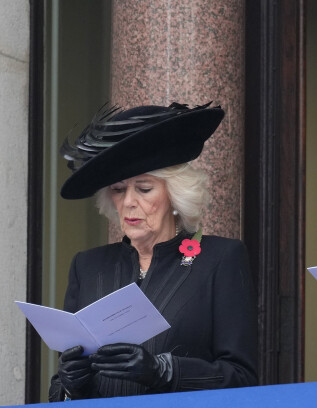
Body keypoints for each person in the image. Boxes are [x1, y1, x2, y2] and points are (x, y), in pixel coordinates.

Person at [49, 102, 257, 400]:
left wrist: (164, 372)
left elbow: (243, 378)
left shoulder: (220, 259)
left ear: (174, 195)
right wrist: (70, 385)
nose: (129, 202)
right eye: (119, 190)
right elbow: (58, 388)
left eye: (144, 189)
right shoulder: (88, 266)